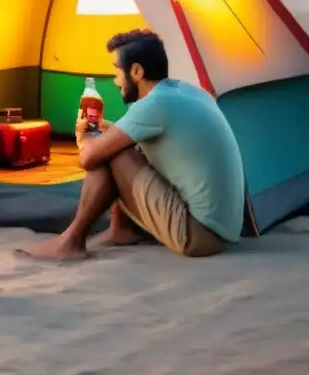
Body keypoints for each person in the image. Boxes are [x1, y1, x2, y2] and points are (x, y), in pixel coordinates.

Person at [18, 29, 245, 261]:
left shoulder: (153, 105)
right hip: (223, 229)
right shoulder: (187, 92)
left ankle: (71, 241)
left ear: (136, 71)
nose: (115, 80)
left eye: (117, 70)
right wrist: (110, 131)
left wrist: (86, 138)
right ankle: (121, 231)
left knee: (108, 153)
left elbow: (88, 158)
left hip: (198, 236)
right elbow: (151, 136)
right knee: (117, 145)